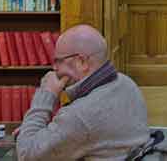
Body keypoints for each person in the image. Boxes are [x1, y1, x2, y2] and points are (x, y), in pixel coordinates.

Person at [14, 24, 149, 161]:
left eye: (59, 61)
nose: (54, 69)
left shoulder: (80, 117)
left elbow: (26, 155)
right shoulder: (126, 83)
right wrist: (42, 134)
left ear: (82, 62)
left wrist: (46, 94)